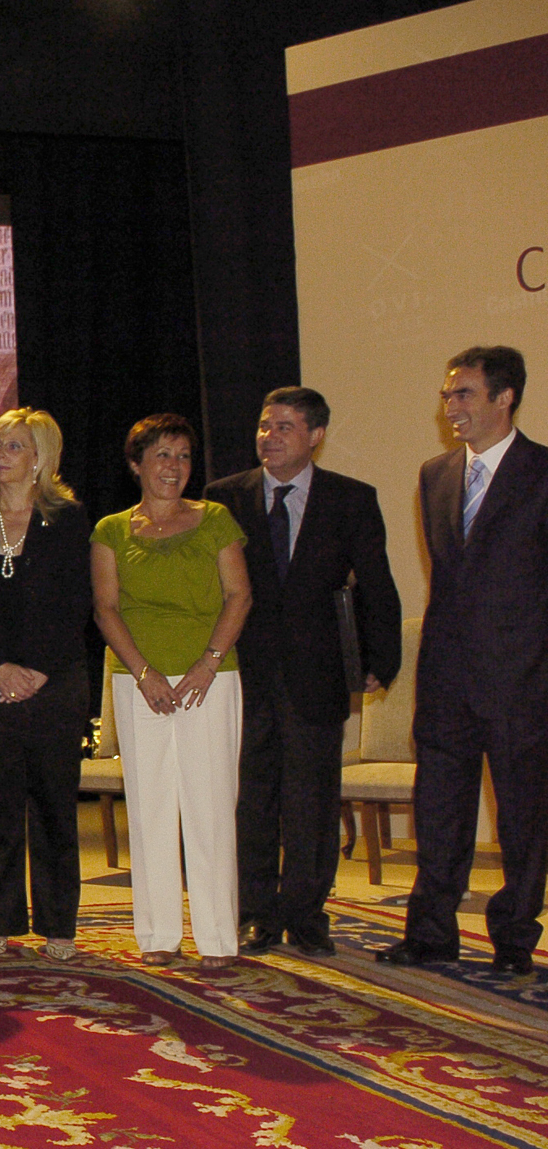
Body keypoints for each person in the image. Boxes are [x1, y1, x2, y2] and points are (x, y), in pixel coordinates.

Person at [206, 387, 401, 959]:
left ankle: (307, 914)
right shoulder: (224, 498)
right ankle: (255, 914)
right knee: (253, 797)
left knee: (312, 799)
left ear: (315, 436)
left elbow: (376, 585)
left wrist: (380, 660)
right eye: (265, 426)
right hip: (245, 670)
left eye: (285, 427)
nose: (269, 437)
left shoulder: (351, 499)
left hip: (318, 672)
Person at [381, 346, 548, 976]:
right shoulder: (436, 474)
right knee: (439, 810)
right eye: (447, 395)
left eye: (464, 394)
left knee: (523, 817)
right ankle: (430, 934)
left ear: (505, 398)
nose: (450, 407)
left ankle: (514, 937)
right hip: (446, 677)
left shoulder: (542, 472)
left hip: (523, 677)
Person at [91, 415, 252, 969]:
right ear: (136, 464)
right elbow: (106, 609)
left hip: (212, 680)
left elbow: (239, 596)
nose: (174, 466)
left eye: (183, 456)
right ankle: (158, 934)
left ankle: (217, 937)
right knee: (151, 809)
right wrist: (144, 673)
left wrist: (208, 664)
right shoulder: (111, 530)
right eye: (162, 455)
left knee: (211, 809)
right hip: (140, 684)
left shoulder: (216, 520)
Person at [0, 409, 94, 960]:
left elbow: (76, 601)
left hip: (55, 682)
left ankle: (59, 924)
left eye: (12, 446)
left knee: (54, 805)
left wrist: (36, 670)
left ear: (40, 458)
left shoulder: (69, 520)